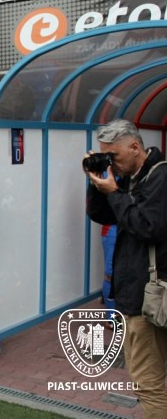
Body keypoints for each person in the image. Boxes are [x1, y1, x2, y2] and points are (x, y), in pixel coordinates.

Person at [85, 119, 167, 418]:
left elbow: (147, 227)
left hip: (150, 297)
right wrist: (98, 183)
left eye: (113, 156)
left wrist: (114, 193)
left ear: (134, 146)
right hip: (140, 295)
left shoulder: (161, 177)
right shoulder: (132, 178)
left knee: (148, 381)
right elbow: (103, 215)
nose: (112, 163)